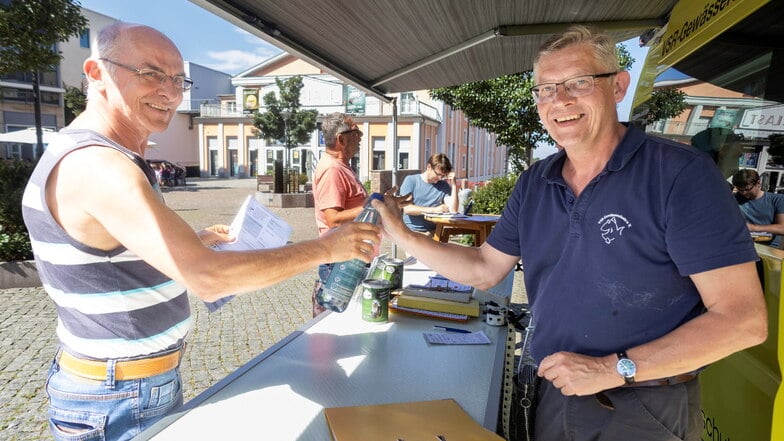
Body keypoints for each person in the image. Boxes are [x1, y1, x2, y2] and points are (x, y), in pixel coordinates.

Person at [372, 25, 767, 441]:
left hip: (643, 405)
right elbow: (486, 268)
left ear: (618, 86)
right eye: (545, 89)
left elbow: (743, 320)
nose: (559, 100)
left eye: (578, 83)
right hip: (552, 392)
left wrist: (611, 368)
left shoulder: (680, 175)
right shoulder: (534, 182)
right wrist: (404, 235)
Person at [21, 23, 380, 441]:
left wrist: (193, 240)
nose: (170, 93)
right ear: (97, 73)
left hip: (121, 386)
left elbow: (110, 252)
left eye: (178, 79)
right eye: (151, 73)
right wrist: (325, 249)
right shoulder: (100, 165)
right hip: (118, 395)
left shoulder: (100, 154)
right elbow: (208, 278)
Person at [311, 113, 369, 317]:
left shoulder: (343, 167)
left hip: (347, 258)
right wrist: (374, 207)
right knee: (333, 326)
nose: (360, 138)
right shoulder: (332, 170)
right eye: (356, 133)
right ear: (341, 139)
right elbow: (332, 219)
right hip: (338, 262)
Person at [399, 153, 459, 235]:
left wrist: (454, 185)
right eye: (438, 174)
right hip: (412, 232)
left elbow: (453, 210)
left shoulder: (443, 185)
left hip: (433, 232)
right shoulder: (411, 181)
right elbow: (407, 209)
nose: (440, 178)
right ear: (429, 167)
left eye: (443, 176)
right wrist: (434, 210)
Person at [731, 168, 784, 247]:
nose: (744, 193)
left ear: (758, 183)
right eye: (740, 190)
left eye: (747, 189)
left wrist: (753, 227)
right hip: (741, 245)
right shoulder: (733, 199)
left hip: (767, 248)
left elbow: (782, 228)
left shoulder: (777, 199)